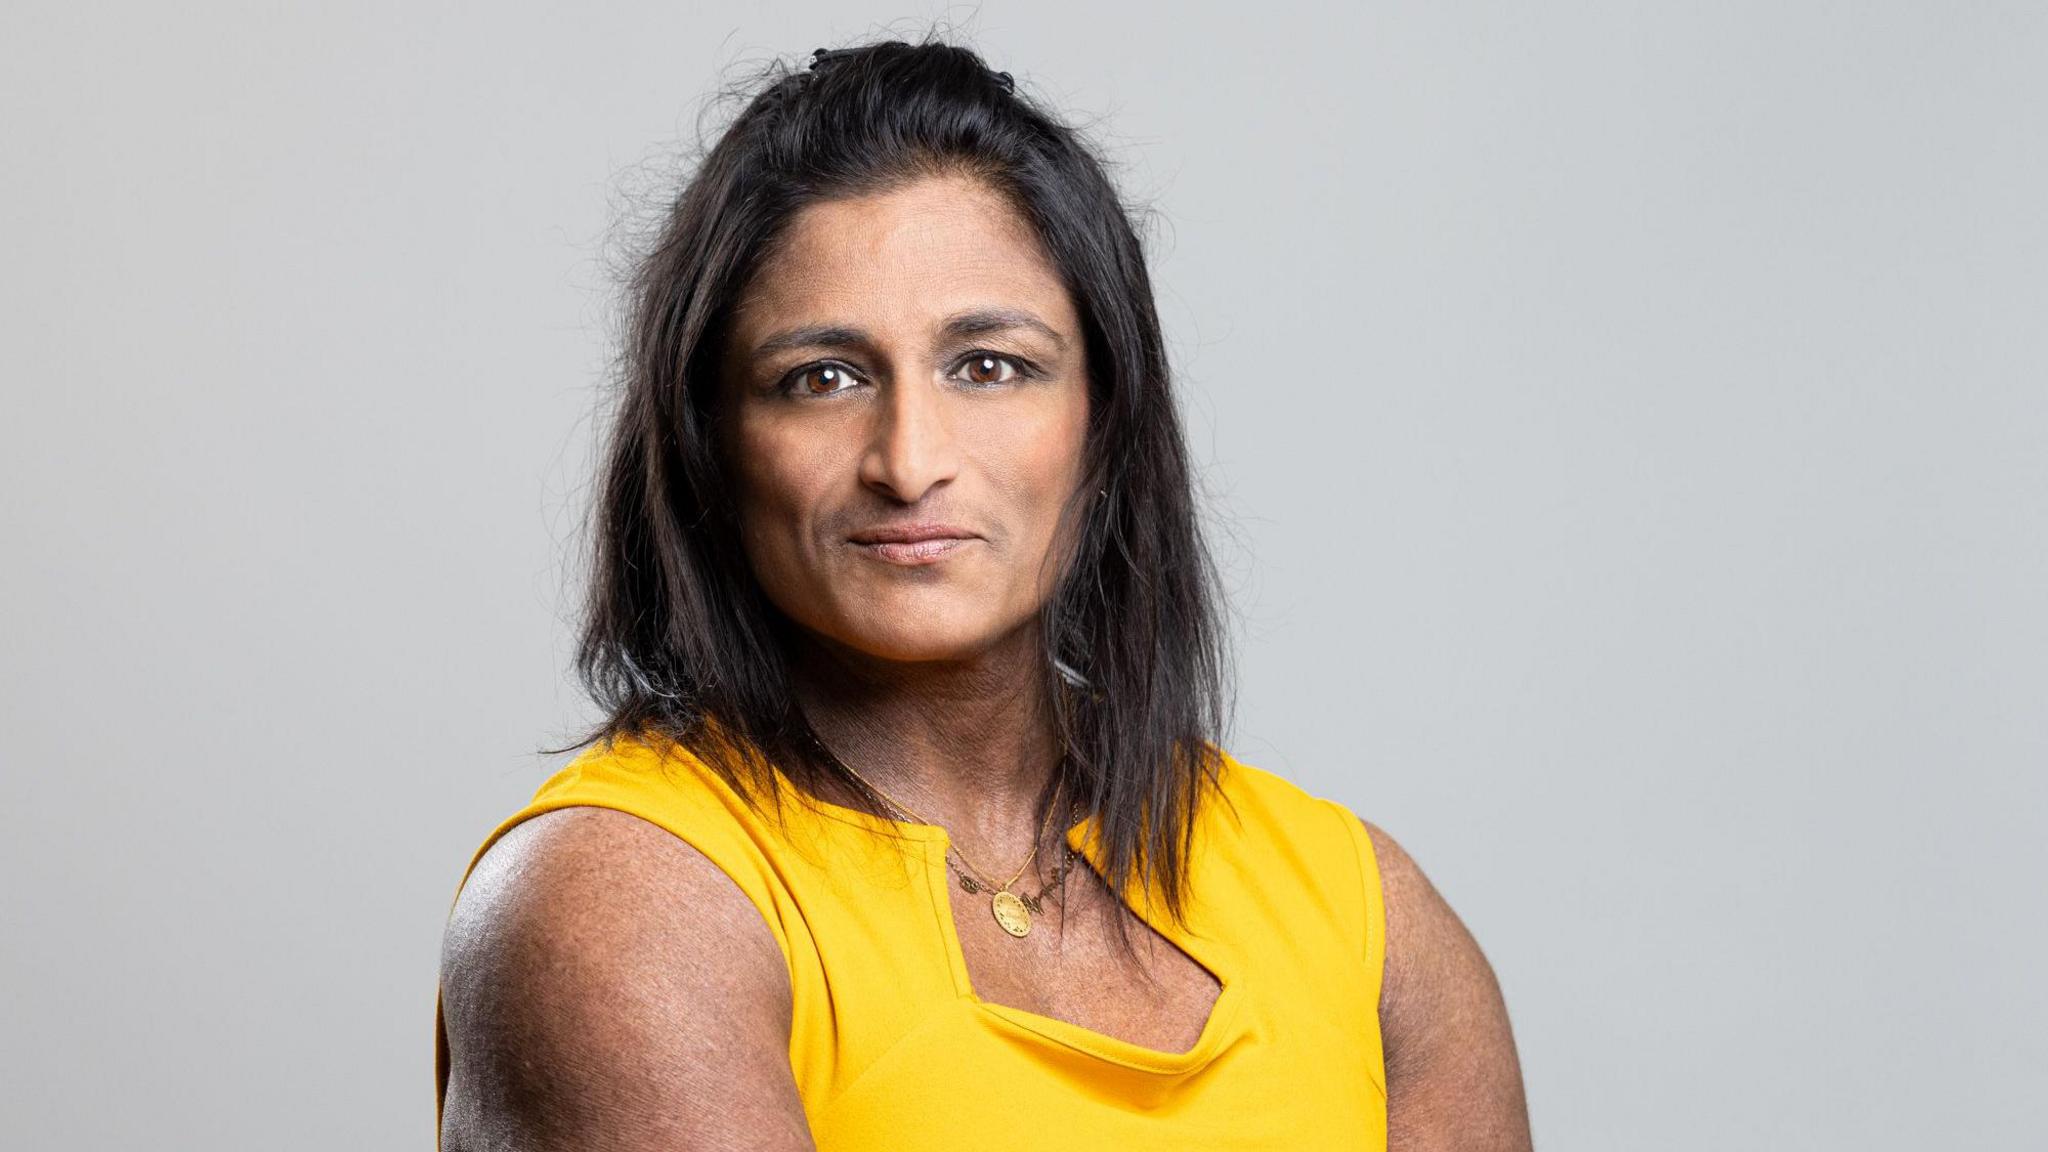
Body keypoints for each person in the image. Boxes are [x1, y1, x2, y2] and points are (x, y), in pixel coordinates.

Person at [435, 36, 1531, 1151]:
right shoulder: (614, 901)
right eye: (820, 379)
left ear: (1103, 418)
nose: (908, 462)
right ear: (710, 442)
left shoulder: (1369, 915)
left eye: (988, 364)